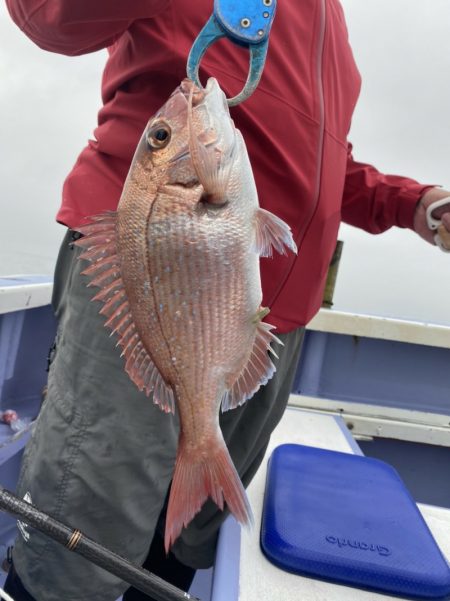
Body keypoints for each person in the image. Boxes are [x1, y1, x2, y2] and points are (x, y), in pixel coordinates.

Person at [3, 1, 450, 600]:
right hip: (149, 282)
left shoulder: (331, 26)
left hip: (270, 325)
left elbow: (322, 171)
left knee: (193, 534)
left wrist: (413, 204)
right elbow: (48, 15)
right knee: (86, 523)